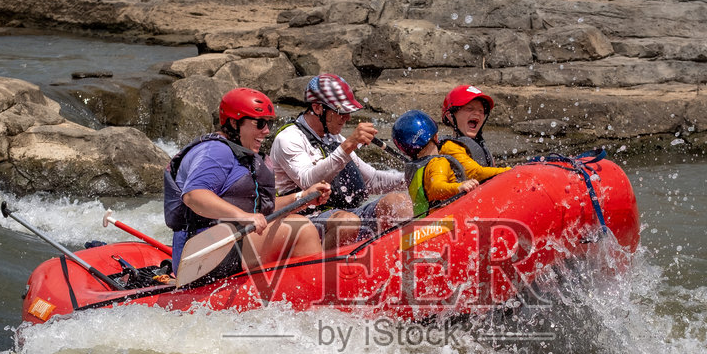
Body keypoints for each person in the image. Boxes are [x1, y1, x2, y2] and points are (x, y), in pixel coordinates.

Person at [163, 87, 330, 284]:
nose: (266, 131)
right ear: (234, 123)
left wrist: (302, 197)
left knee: (304, 222)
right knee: (301, 229)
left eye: (269, 123)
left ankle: (300, 288)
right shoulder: (215, 151)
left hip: (226, 244)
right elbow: (194, 196)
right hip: (200, 254)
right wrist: (244, 216)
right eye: (259, 124)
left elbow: (260, 210)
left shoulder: (243, 154)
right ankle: (318, 294)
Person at [267, 73, 411, 249]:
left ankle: (403, 261)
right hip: (306, 222)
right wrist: (348, 145)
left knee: (398, 202)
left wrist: (413, 175)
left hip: (346, 215)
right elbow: (308, 182)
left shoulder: (334, 137)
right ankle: (328, 271)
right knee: (347, 222)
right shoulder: (289, 138)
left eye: (348, 111)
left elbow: (372, 180)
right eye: (341, 112)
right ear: (317, 108)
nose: (347, 117)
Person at [392, 109, 481, 218]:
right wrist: (459, 187)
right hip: (438, 224)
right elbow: (436, 188)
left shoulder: (412, 169)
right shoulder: (437, 162)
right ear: (436, 137)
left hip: (420, 224)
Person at [437, 84, 510, 185]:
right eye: (469, 109)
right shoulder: (450, 147)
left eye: (481, 111)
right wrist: (513, 171)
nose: (477, 113)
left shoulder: (481, 145)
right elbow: (475, 174)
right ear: (450, 116)